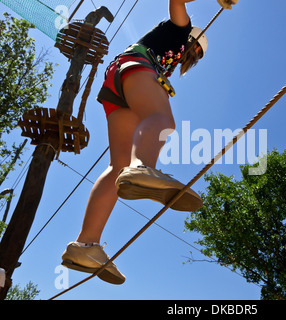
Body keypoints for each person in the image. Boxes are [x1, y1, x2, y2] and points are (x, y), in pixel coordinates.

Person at [61, 0, 238, 285]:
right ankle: (142, 167)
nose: (192, 57)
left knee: (118, 166)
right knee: (162, 121)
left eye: (197, 56)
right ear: (192, 38)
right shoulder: (180, 29)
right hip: (135, 68)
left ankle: (85, 246)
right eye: (196, 51)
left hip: (117, 82)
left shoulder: (169, 58)